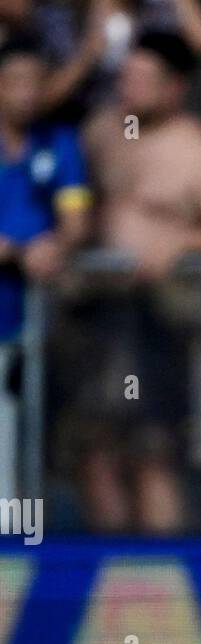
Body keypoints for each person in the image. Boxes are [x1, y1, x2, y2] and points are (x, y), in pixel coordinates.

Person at [77, 29, 201, 532]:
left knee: (153, 451)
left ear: (175, 88)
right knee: (95, 446)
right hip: (99, 308)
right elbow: (81, 204)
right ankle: (105, 569)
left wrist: (180, 244)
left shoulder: (198, 150)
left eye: (143, 79)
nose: (128, 88)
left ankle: (160, 575)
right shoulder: (101, 131)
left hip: (161, 315)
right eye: (124, 76)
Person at [0, 34, 89, 487]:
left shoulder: (59, 143)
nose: (26, 92)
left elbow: (75, 218)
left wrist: (56, 244)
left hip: (25, 321)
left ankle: (21, 541)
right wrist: (15, 250)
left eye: (36, 81)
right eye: (14, 80)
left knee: (21, 434)